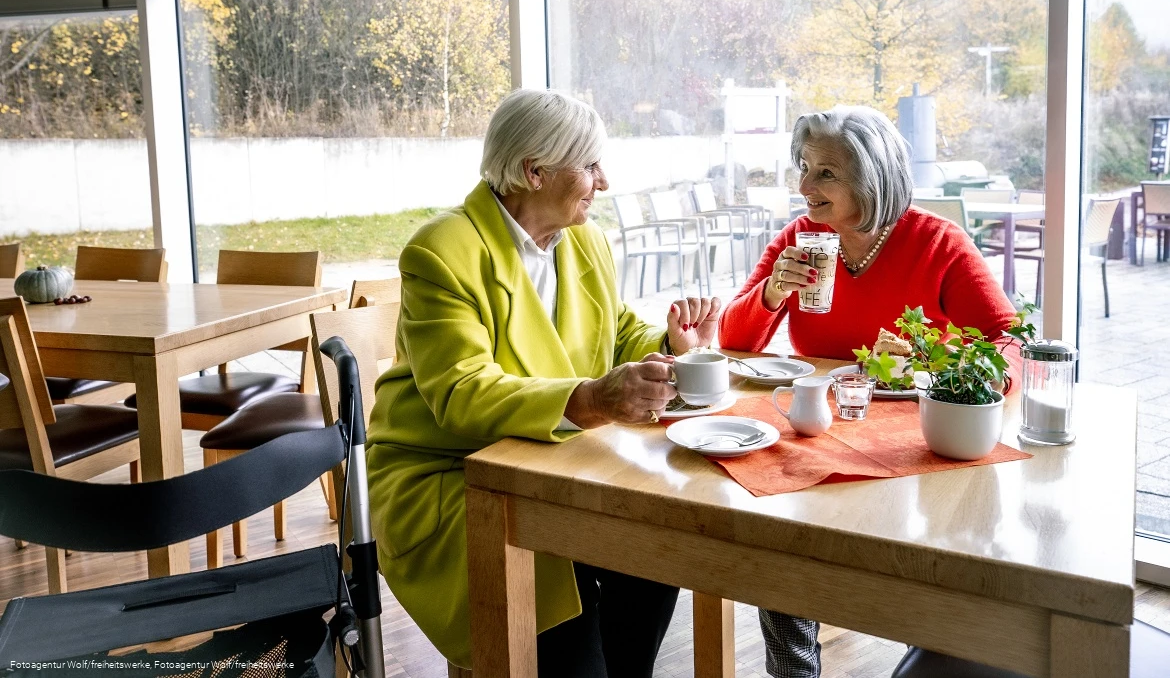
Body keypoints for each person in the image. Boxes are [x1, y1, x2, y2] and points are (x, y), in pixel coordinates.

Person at [366, 88, 722, 677]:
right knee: (571, 636)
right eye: (589, 165)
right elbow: (462, 392)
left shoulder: (586, 242)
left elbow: (614, 331)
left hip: (556, 466)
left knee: (659, 546)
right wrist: (591, 399)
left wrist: (669, 350)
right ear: (534, 172)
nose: (603, 182)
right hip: (452, 475)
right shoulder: (442, 251)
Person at [718, 105, 1021, 678]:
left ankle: (928, 653)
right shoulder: (801, 238)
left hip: (916, 444)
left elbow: (1008, 343)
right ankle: (793, 670)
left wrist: (940, 359)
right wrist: (771, 293)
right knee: (778, 534)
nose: (804, 186)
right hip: (819, 431)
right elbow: (736, 342)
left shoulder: (937, 244)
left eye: (825, 174)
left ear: (872, 177)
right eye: (803, 168)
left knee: (909, 562)